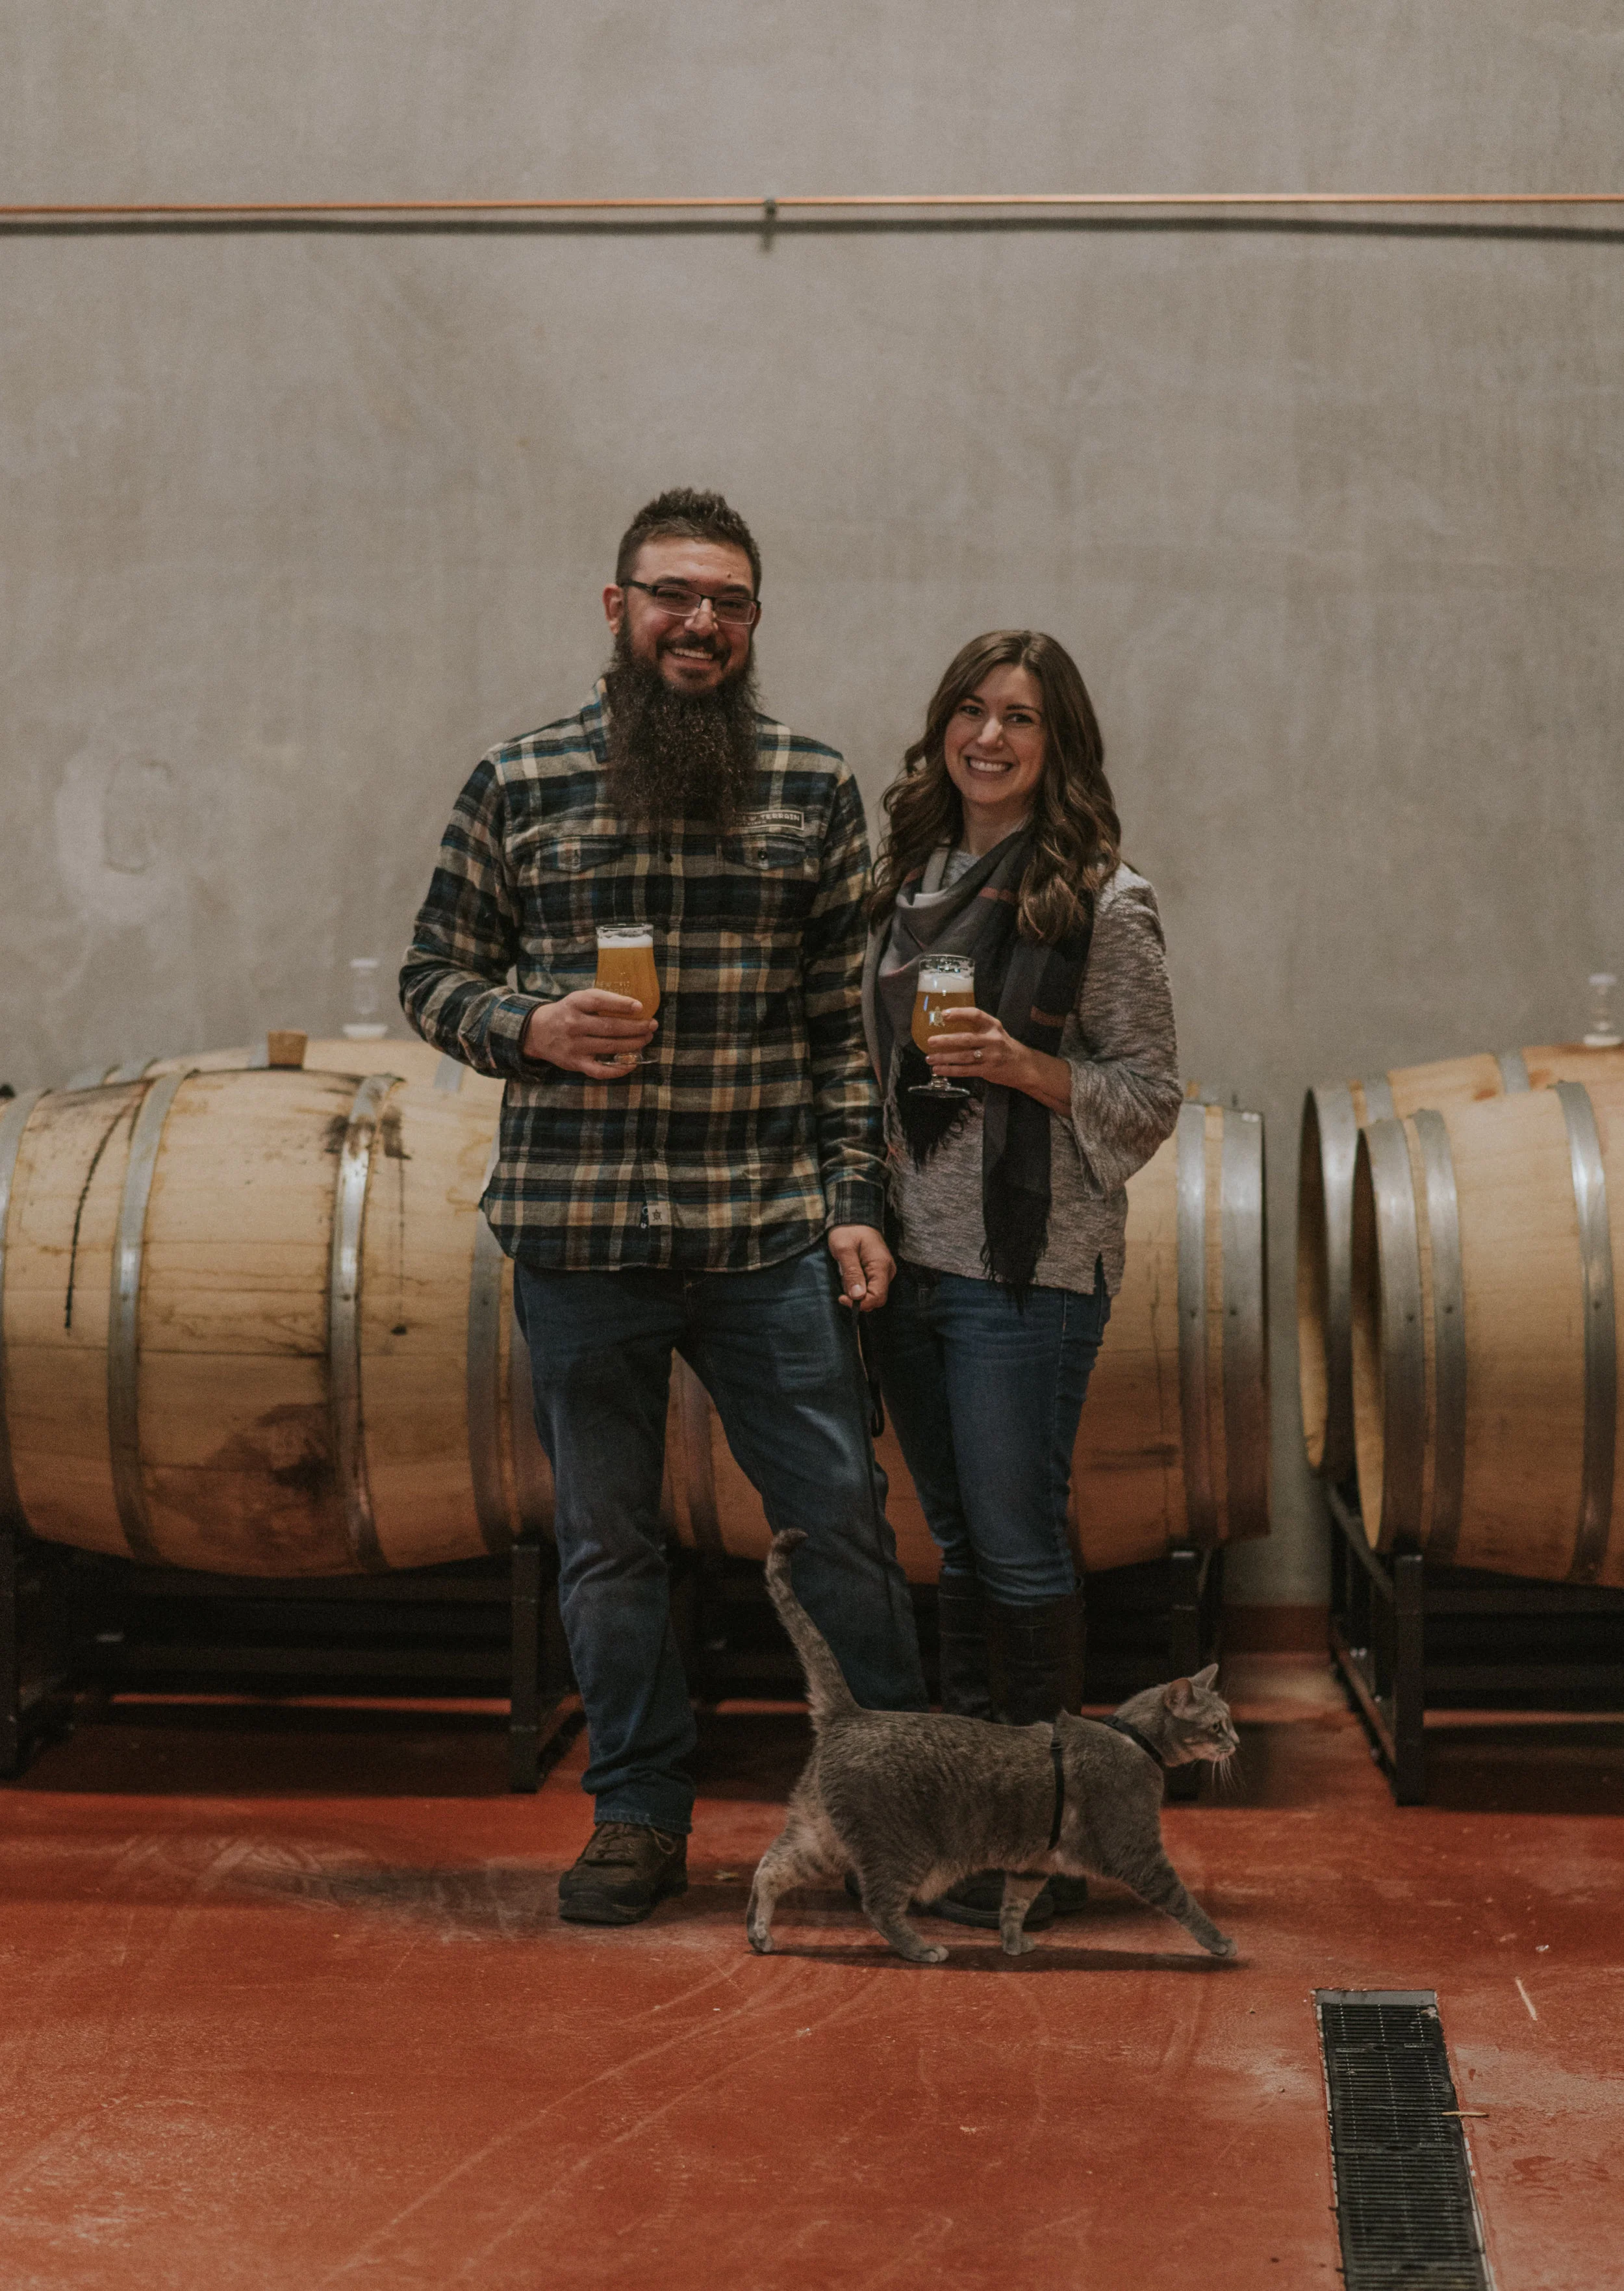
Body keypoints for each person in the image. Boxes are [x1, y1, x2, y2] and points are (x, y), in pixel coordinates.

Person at [400, 489, 927, 1926]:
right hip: (577, 1237)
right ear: (615, 604)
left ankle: (902, 1810)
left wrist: (854, 1201)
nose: (699, 622)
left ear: (754, 623)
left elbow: (842, 1031)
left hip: (761, 1233)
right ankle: (637, 1814)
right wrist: (526, 1025)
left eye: (729, 602)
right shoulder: (517, 779)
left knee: (839, 1526)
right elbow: (428, 976)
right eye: (671, 594)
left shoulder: (809, 787)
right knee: (606, 1541)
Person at [861, 629, 1182, 1929]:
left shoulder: (1099, 899)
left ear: (1059, 746)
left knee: (1013, 1538)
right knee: (954, 1544)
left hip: (1025, 1267)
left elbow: (1150, 1094)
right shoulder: (908, 878)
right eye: (971, 709)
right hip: (909, 1261)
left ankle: (1044, 1828)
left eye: (1021, 718)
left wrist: (1027, 1067)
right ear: (941, 722)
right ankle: (965, 1811)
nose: (989, 736)